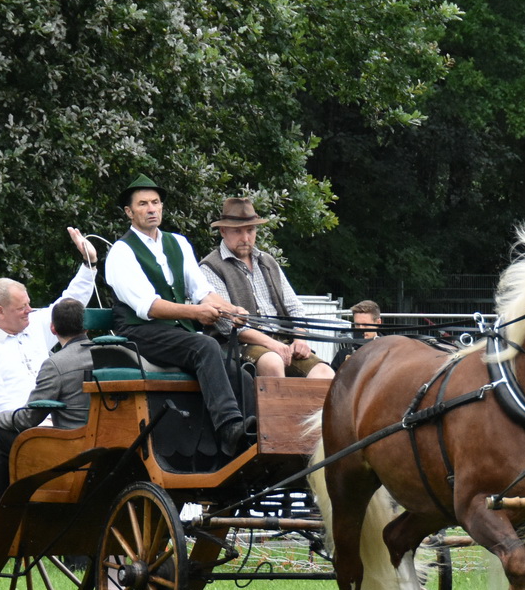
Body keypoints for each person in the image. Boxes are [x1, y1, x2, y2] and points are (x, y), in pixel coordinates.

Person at [103, 175, 255, 452]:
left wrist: (230, 310)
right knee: (205, 345)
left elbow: (202, 291)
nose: (151, 209)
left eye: (156, 202)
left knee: (241, 375)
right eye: (143, 204)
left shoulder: (178, 243)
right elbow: (150, 307)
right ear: (129, 212)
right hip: (139, 332)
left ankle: (255, 434)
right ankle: (229, 428)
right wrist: (197, 313)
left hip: (174, 331)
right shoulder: (121, 253)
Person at [0, 228, 98, 432]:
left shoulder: (34, 323)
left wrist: (90, 263)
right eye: (22, 307)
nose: (29, 310)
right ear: (0, 311)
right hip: (16, 427)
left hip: (60, 421)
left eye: (28, 304)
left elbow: (68, 302)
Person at [198, 197, 334, 381]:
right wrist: (272, 344)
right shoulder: (210, 266)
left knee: (325, 374)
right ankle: (278, 410)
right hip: (236, 345)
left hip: (283, 341)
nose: (245, 238)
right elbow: (228, 325)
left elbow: (295, 308)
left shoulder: (268, 261)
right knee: (272, 362)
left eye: (250, 230)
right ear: (223, 231)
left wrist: (300, 339)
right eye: (238, 231)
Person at [0, 298, 93, 509]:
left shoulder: (55, 364)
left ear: (53, 328)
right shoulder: (114, 355)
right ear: (86, 326)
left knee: (2, 435)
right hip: (108, 443)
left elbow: (28, 418)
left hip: (71, 446)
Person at [332, 299, 383, 369]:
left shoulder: (389, 351)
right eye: (357, 325)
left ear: (378, 323)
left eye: (365, 325)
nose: (360, 328)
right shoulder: (343, 355)